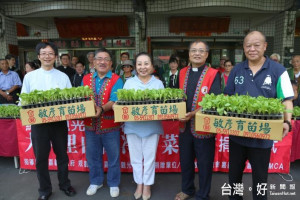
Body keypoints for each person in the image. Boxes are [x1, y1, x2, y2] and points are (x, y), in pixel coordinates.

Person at [224, 31, 293, 200]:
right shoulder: (237, 70)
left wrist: (287, 122)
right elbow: (226, 98)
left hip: (263, 136)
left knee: (260, 179)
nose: (252, 49)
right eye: (248, 45)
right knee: (234, 179)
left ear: (264, 46)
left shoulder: (279, 70)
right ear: (243, 48)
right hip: (237, 135)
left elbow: (286, 100)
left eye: (256, 45)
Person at [20, 42, 76, 200]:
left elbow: (70, 100)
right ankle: (44, 190)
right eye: (44, 53)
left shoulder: (63, 76)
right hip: (39, 124)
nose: (47, 56)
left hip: (59, 123)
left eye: (50, 53)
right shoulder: (30, 77)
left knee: (62, 156)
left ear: (55, 56)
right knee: (41, 158)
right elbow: (23, 101)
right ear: (38, 56)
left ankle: (65, 184)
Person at [175, 40, 221, 200]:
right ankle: (187, 189)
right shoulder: (181, 73)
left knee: (204, 164)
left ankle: (203, 194)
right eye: (193, 50)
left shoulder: (214, 74)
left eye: (201, 50)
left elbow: (214, 102)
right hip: (184, 126)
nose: (197, 53)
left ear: (207, 54)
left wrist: (193, 113)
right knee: (186, 162)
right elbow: (175, 96)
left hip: (204, 127)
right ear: (189, 53)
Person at [82, 48, 123, 198]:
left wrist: (101, 108)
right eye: (99, 59)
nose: (102, 62)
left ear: (111, 63)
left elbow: (114, 99)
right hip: (90, 125)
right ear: (93, 62)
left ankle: (113, 183)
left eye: (106, 59)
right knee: (93, 156)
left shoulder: (117, 79)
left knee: (113, 157)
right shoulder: (86, 78)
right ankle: (96, 181)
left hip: (110, 125)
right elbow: (82, 97)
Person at [123, 52, 164, 200]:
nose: (143, 67)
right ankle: (139, 183)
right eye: (139, 64)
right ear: (135, 67)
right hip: (132, 127)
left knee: (149, 158)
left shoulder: (158, 83)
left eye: (146, 63)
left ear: (152, 66)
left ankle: (147, 184)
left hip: (152, 127)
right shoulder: (129, 83)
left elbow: (162, 107)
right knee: (135, 158)